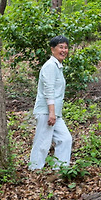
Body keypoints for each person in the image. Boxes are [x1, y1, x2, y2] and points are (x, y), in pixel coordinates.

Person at [29, 35, 73, 170]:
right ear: (52, 49)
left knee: (65, 139)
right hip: (46, 112)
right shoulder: (50, 66)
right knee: (42, 142)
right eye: (60, 47)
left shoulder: (57, 66)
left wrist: (55, 113)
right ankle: (35, 170)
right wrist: (52, 113)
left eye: (66, 47)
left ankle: (60, 170)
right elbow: (49, 90)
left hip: (55, 112)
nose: (64, 50)